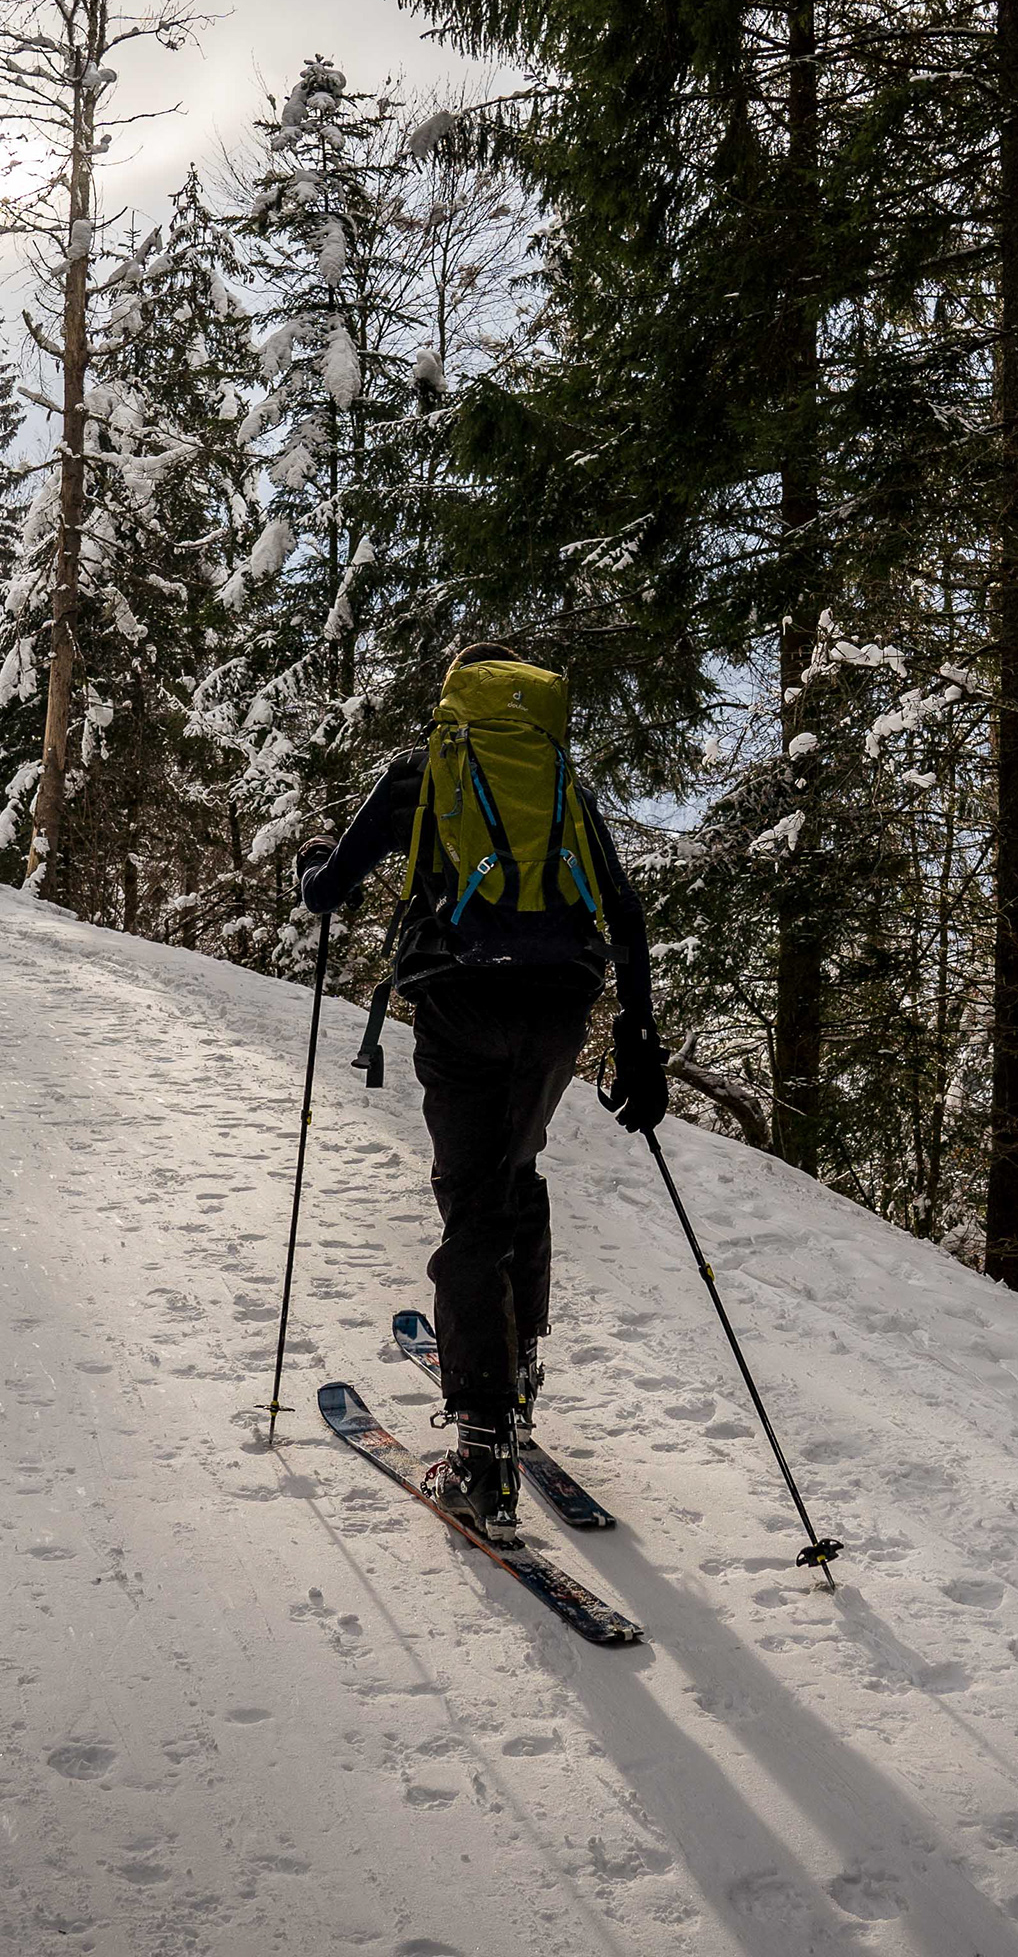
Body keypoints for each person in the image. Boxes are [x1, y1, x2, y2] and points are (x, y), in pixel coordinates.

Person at [299, 643, 669, 1541]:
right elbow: (621, 909)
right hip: (559, 1003)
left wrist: (314, 864)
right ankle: (520, 1362)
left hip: (459, 1001)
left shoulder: (426, 768)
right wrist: (639, 1034)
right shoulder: (560, 785)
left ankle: (481, 1451)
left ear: (456, 698)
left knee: (473, 1203)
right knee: (517, 1171)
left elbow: (326, 893)